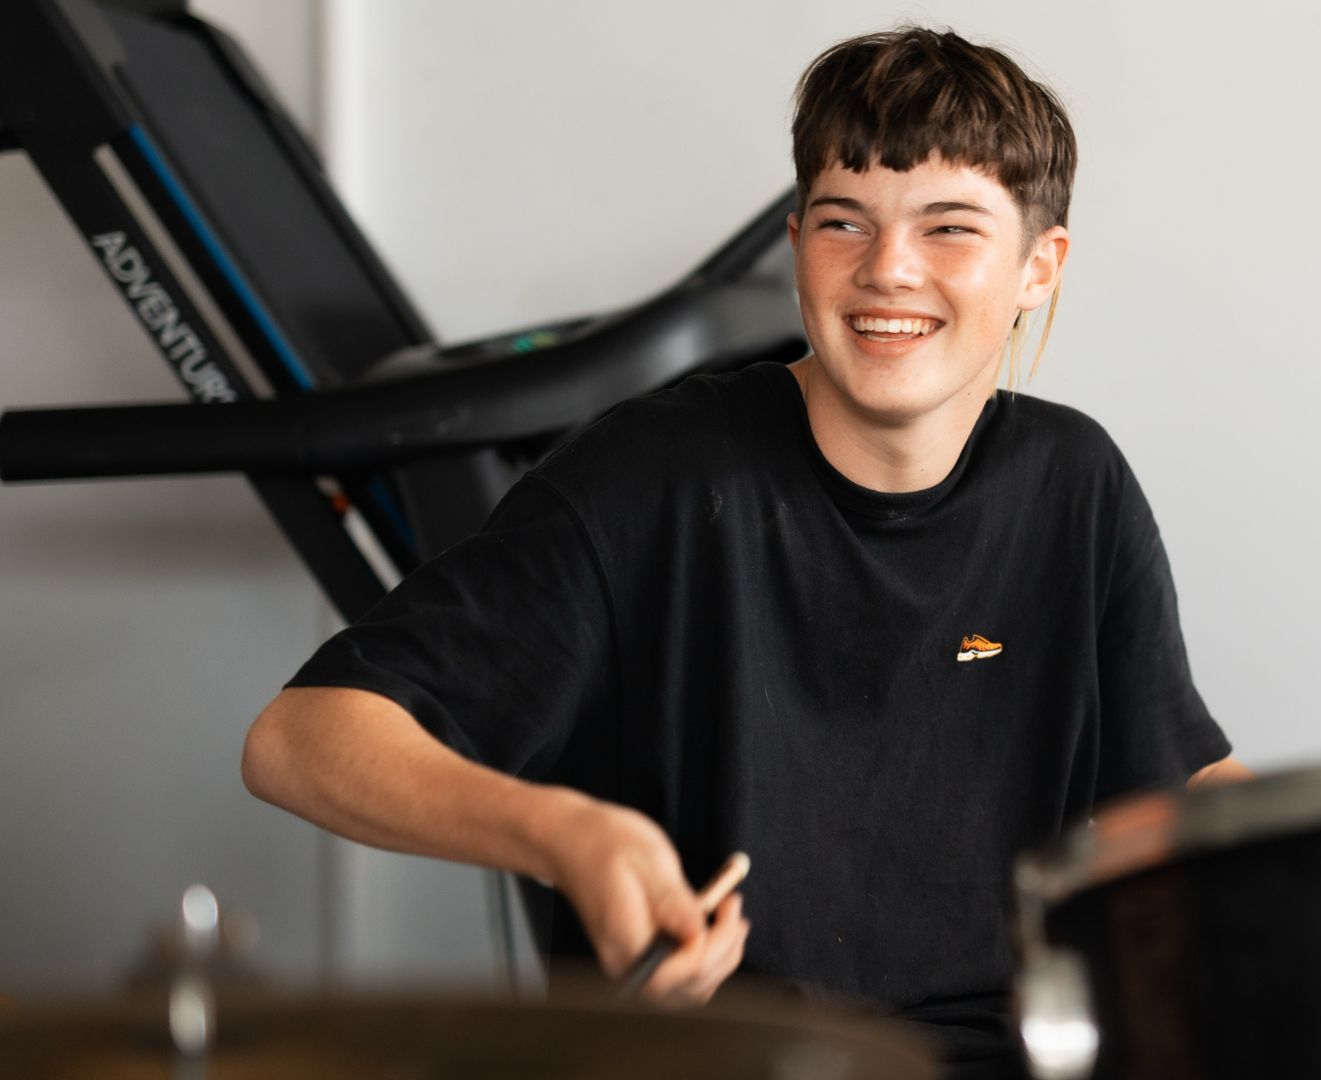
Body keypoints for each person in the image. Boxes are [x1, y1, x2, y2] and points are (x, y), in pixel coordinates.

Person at [242, 24, 1248, 1076]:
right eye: (843, 222)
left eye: (949, 228)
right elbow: (300, 739)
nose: (888, 270)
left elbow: (1177, 790)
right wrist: (565, 835)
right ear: (798, 241)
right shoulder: (652, 477)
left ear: (1040, 265)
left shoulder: (1075, 487)